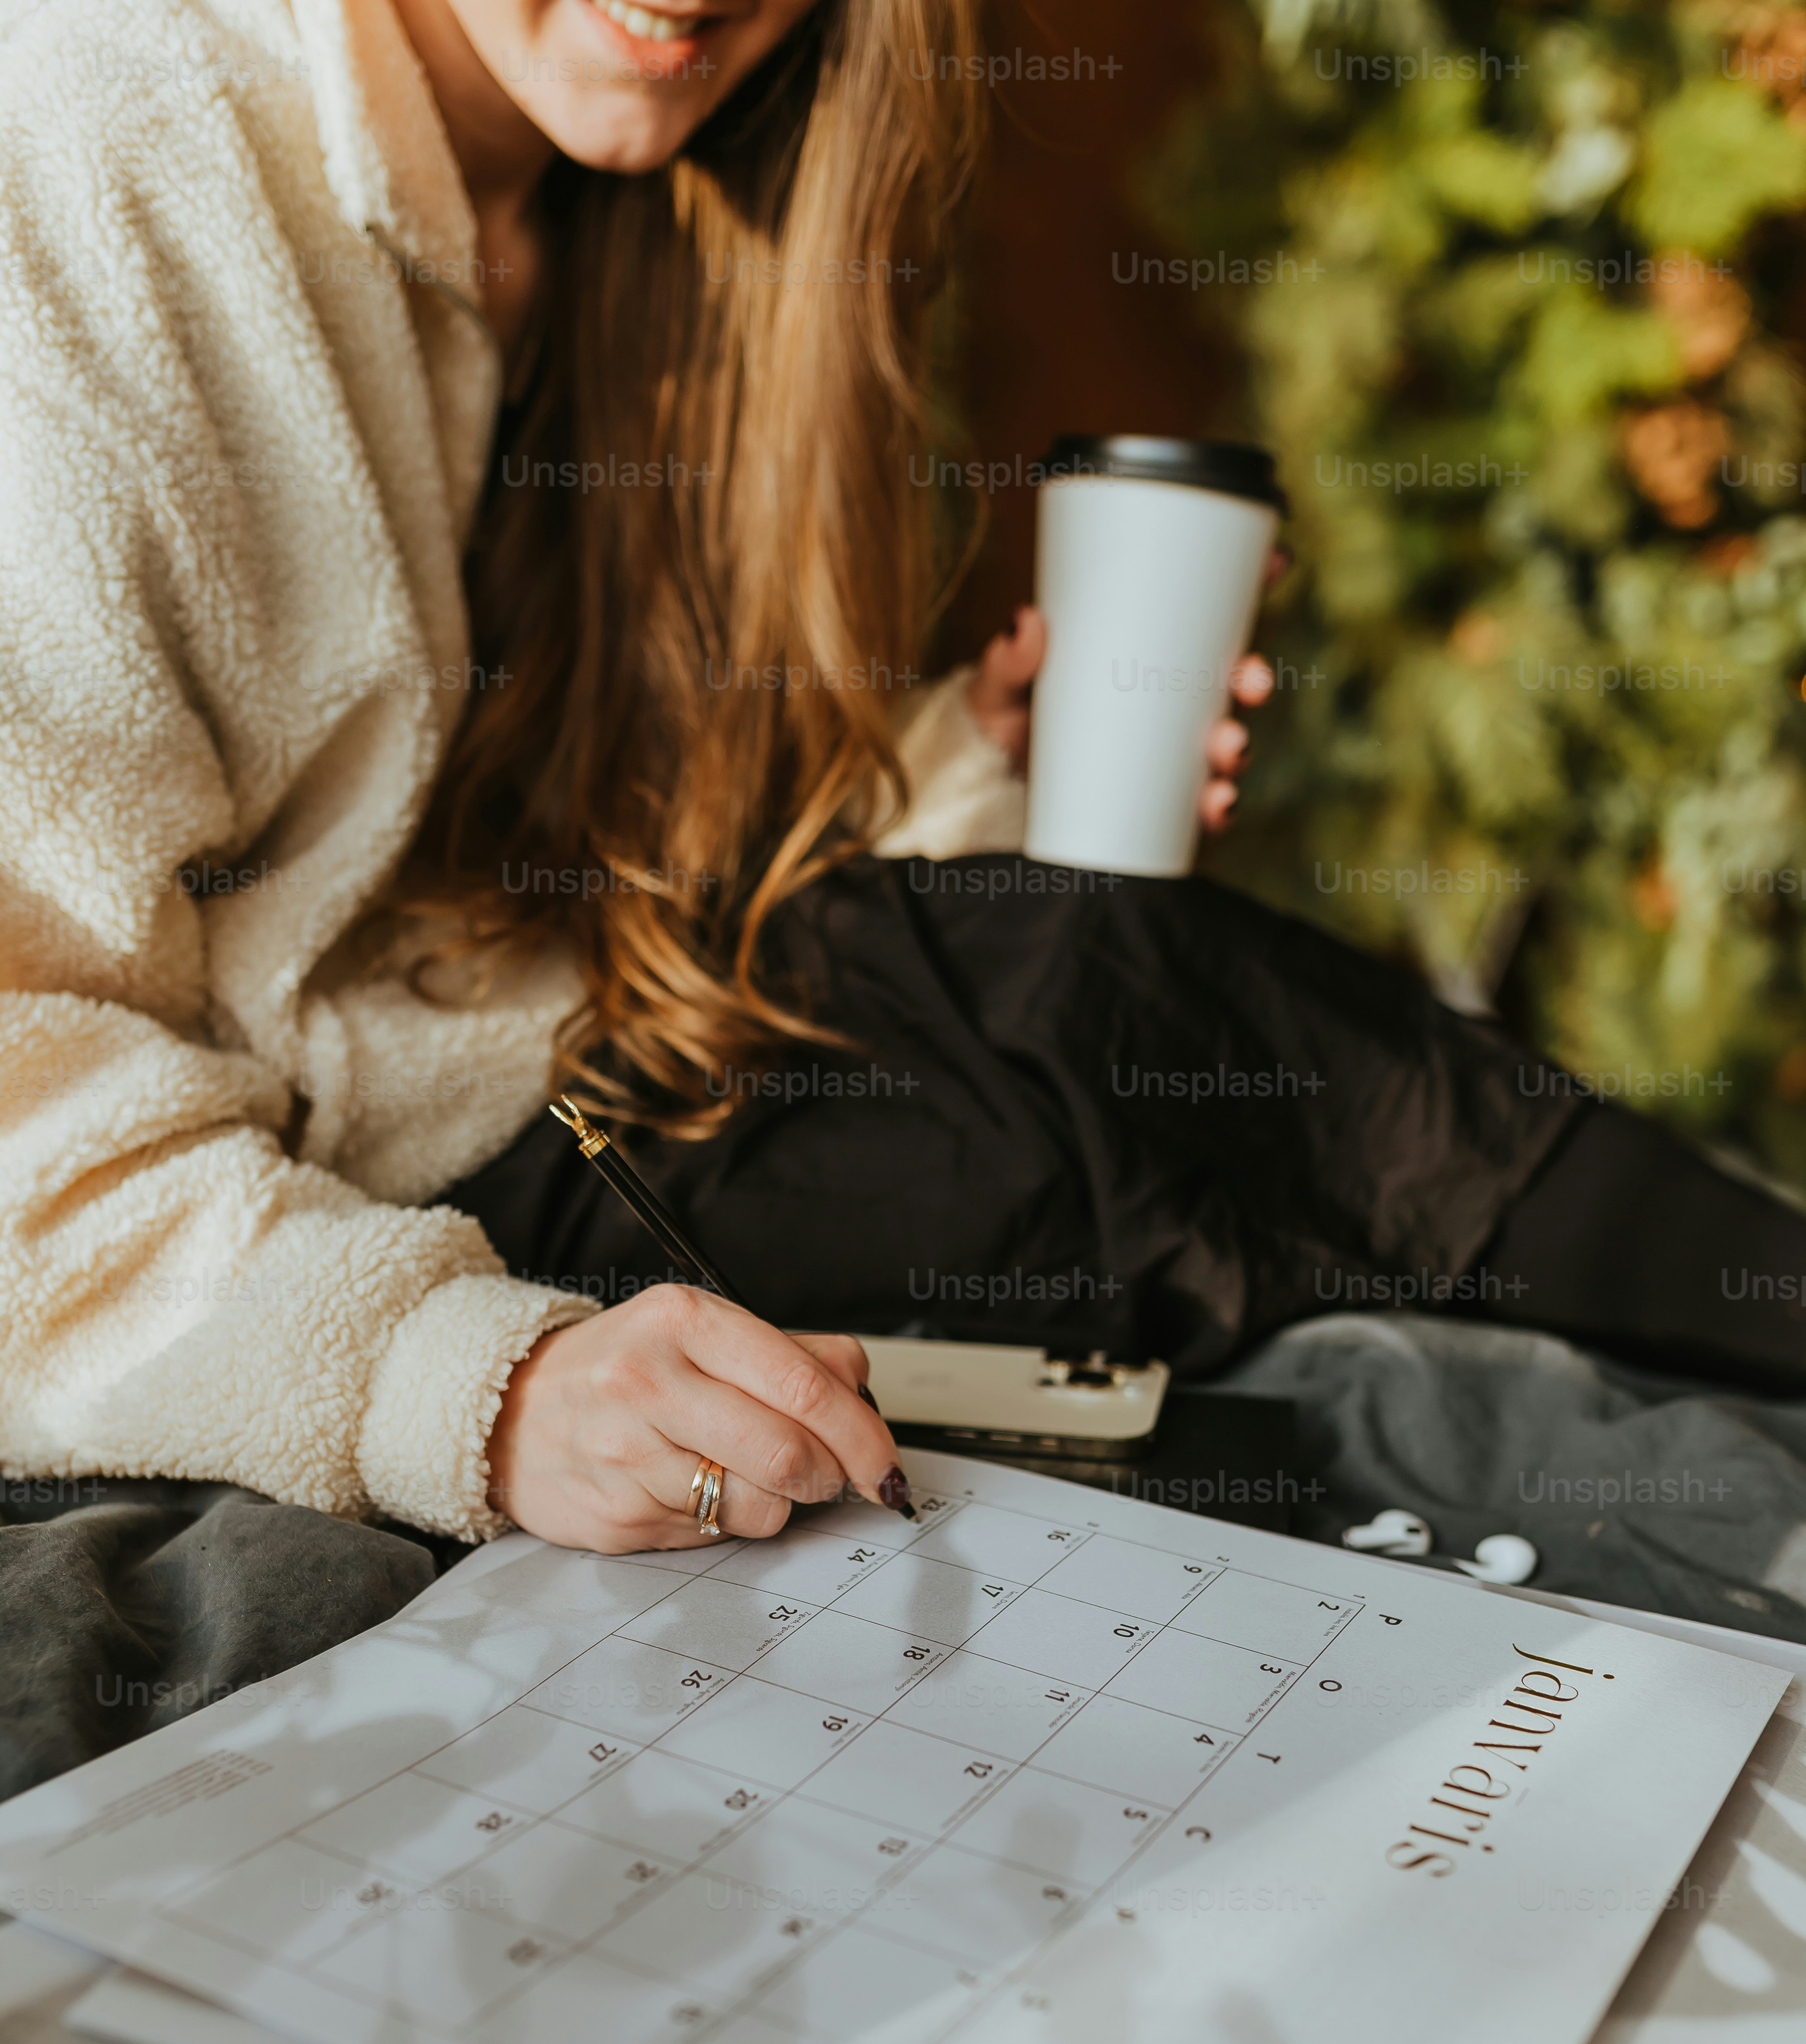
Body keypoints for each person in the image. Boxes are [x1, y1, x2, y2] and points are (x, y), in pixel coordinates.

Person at [3, 0, 1803, 1577]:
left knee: (1100, 964)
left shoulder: (665, 205)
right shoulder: (101, 159)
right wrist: (467, 1383)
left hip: (559, 1073)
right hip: (310, 1232)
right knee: (1128, 1059)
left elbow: (540, 876)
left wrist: (955, 776)